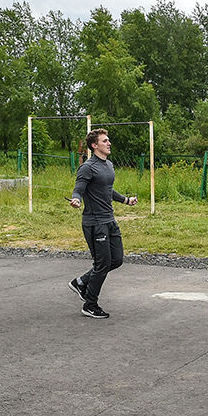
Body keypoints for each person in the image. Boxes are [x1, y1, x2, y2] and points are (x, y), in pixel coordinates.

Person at [68, 128, 137, 319]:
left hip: (109, 220)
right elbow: (78, 188)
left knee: (116, 260)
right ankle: (90, 304)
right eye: (105, 141)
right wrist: (76, 200)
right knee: (103, 263)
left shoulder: (109, 165)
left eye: (108, 140)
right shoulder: (88, 167)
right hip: (94, 222)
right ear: (94, 145)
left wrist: (126, 200)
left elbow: (108, 190)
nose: (109, 143)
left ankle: (81, 282)